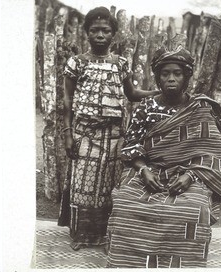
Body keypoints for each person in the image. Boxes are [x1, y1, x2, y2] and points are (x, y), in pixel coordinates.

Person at [106, 45, 221, 268]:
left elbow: (212, 152)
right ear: (157, 78)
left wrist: (190, 177)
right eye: (165, 74)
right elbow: (131, 144)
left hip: (191, 174)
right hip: (150, 170)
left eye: (177, 73)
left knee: (193, 208)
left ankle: (184, 262)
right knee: (126, 203)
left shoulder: (200, 108)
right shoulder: (146, 106)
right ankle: (131, 261)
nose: (171, 79)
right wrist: (143, 170)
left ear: (187, 77)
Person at [57, 6, 158, 251]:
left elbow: (132, 94)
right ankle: (81, 235)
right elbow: (67, 101)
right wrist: (68, 134)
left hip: (113, 135)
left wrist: (159, 92)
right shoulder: (77, 63)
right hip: (84, 133)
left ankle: (103, 235)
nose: (100, 35)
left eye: (105, 30)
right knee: (83, 183)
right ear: (87, 34)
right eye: (95, 31)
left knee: (107, 185)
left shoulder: (121, 64)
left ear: (114, 34)